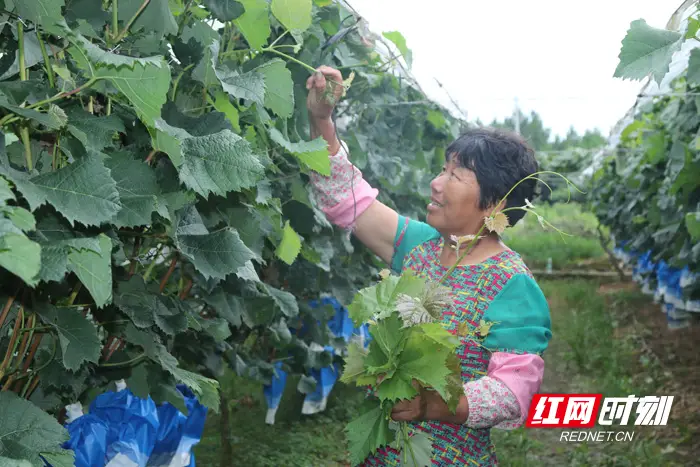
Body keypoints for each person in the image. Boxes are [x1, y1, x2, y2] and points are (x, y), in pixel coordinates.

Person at [306, 66, 552, 466]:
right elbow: (346, 196)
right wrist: (321, 120)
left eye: (456, 175)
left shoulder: (513, 284)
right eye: (442, 169)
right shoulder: (418, 245)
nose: (437, 183)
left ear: (493, 204)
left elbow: (512, 391)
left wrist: (435, 405)